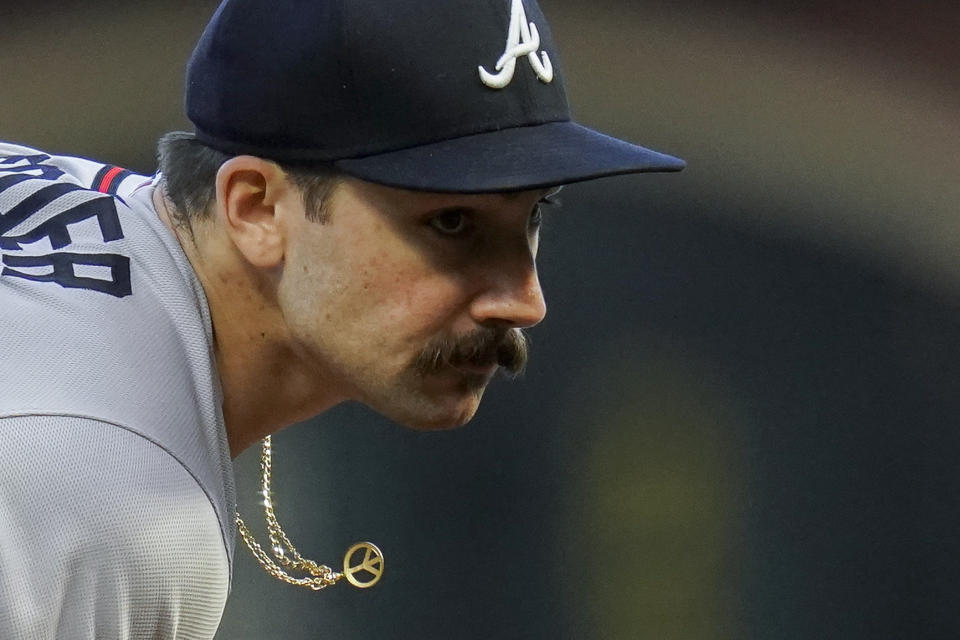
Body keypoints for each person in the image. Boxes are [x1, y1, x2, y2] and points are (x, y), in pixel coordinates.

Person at [0, 0, 684, 637]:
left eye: (531, 216)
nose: (522, 301)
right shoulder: (103, 497)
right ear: (257, 209)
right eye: (451, 222)